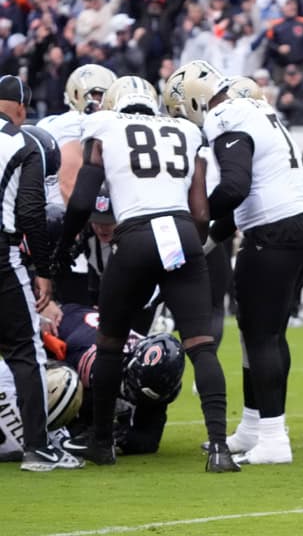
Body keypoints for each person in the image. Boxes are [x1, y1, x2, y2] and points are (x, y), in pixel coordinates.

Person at [54, 75, 237, 472]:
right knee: (201, 345)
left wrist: (65, 243)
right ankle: (220, 448)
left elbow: (84, 197)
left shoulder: (104, 126)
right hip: (182, 233)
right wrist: (189, 248)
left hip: (136, 235)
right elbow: (202, 211)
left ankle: (102, 443)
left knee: (109, 344)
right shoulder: (186, 129)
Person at [167, 61, 303, 466]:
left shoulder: (224, 115)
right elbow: (247, 195)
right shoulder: (255, 110)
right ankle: (255, 426)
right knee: (266, 333)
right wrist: (210, 238)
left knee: (261, 336)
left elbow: (235, 187)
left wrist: (193, 219)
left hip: (274, 234)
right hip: (300, 226)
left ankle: (273, 436)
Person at [0, 75, 82, 472]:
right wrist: (44, 271)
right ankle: (37, 447)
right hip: (1, 256)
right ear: (20, 108)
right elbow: (31, 211)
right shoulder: (22, 141)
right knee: (25, 351)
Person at [36, 64, 117, 204]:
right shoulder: (74, 123)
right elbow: (70, 184)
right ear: (76, 94)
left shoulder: (50, 122)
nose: (104, 104)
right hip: (62, 212)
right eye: (99, 97)